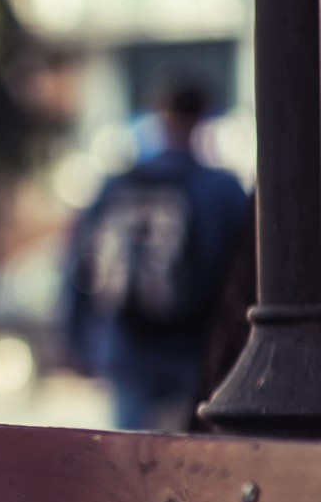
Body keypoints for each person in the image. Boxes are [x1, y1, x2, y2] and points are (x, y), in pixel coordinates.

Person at [65, 81, 250, 431]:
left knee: (129, 463)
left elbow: (78, 263)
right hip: (196, 347)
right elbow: (243, 272)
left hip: (127, 345)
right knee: (193, 462)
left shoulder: (117, 184)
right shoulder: (220, 189)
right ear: (203, 120)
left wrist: (78, 341)